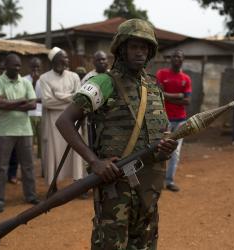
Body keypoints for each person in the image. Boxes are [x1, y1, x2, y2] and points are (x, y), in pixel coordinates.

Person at [55, 18, 178, 249]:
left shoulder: (153, 86)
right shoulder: (104, 82)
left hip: (149, 185)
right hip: (116, 188)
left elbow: (162, 130)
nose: (140, 52)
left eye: (144, 47)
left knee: (144, 244)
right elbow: (64, 121)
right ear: (121, 49)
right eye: (134, 46)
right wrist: (94, 161)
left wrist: (167, 145)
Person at [0, 53, 40, 213]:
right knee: (1, 167)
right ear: (6, 65)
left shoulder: (25, 82)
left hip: (25, 130)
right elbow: (0, 104)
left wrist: (11, 103)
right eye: (14, 65)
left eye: (19, 65)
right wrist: (21, 101)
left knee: (28, 166)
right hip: (4, 131)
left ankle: (30, 195)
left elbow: (33, 105)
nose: (17, 68)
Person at [39, 47, 84, 185]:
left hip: (73, 119)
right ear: (56, 60)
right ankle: (53, 184)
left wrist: (59, 96)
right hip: (54, 123)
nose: (67, 60)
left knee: (76, 151)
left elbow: (79, 99)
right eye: (64, 57)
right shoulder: (44, 78)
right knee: (54, 154)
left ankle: (78, 182)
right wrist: (70, 98)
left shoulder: (74, 76)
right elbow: (47, 102)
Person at [156, 49, 191, 192]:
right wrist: (179, 95)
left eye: (180, 57)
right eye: (175, 56)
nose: (177, 59)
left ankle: (169, 181)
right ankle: (156, 180)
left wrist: (168, 96)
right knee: (159, 150)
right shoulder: (161, 74)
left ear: (183, 60)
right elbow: (158, 95)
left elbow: (187, 101)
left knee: (175, 152)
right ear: (170, 59)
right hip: (164, 119)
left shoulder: (186, 78)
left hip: (181, 120)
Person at [24, 57, 43, 176]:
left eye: (37, 67)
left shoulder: (44, 80)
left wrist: (33, 100)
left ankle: (44, 171)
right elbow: (24, 98)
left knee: (43, 145)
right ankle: (28, 172)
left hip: (42, 115)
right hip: (28, 116)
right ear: (29, 67)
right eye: (33, 67)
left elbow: (46, 99)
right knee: (28, 146)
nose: (35, 70)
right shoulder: (24, 80)